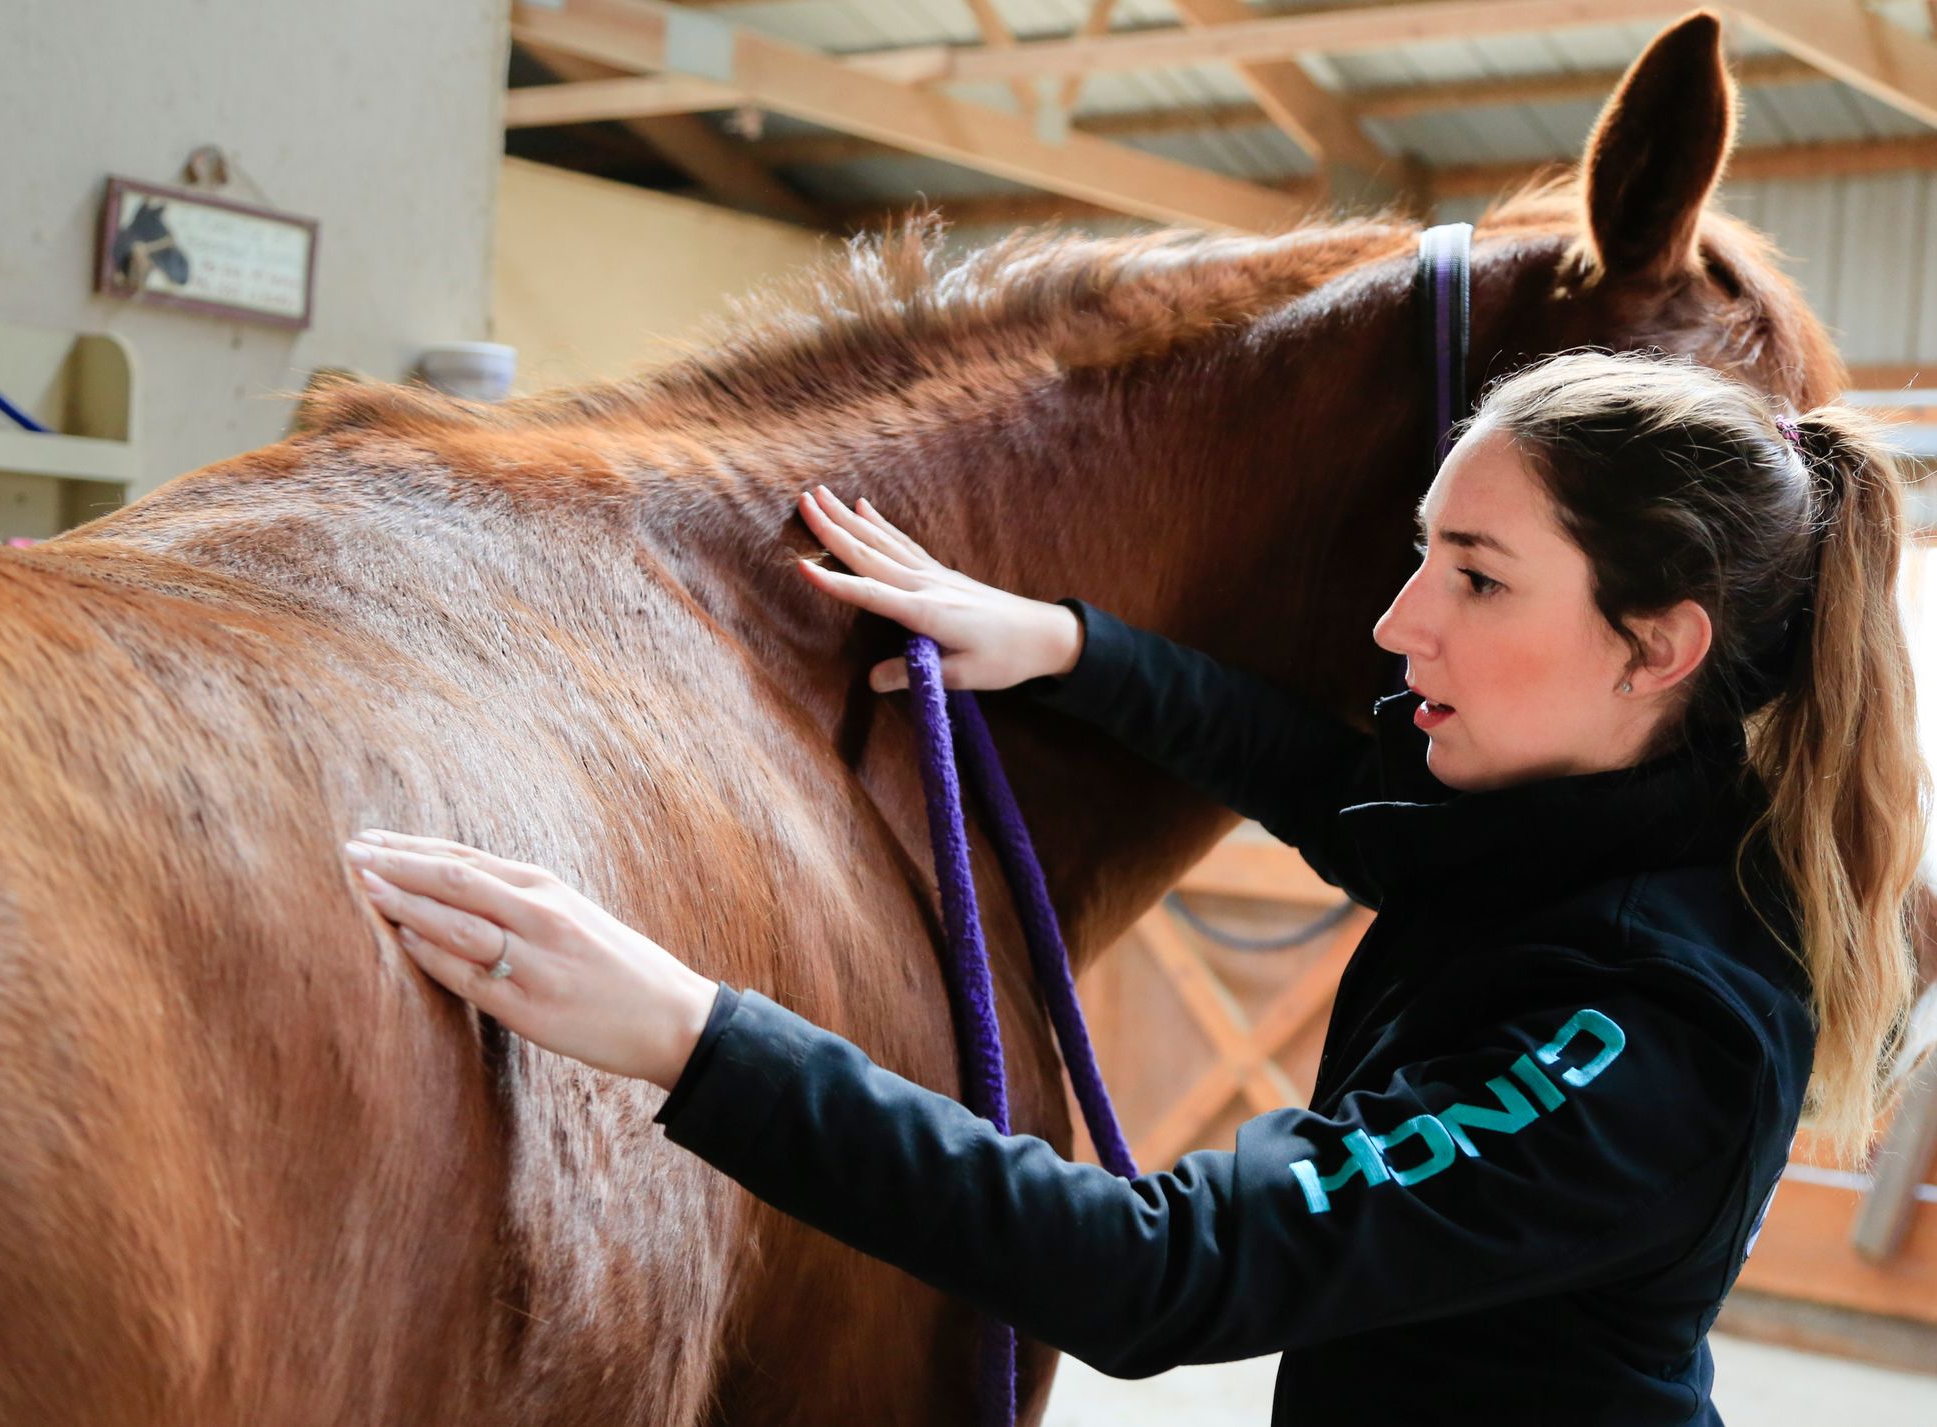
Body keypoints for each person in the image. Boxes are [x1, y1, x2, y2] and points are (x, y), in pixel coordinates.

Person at [340, 350, 1930, 1425]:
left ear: (1658, 647)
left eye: (1477, 575)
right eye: (1426, 551)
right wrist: (1062, 644)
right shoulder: (1575, 826)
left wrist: (695, 1037)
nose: (1397, 623)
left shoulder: (1647, 1022)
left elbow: (1159, 1268)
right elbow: (1325, 779)